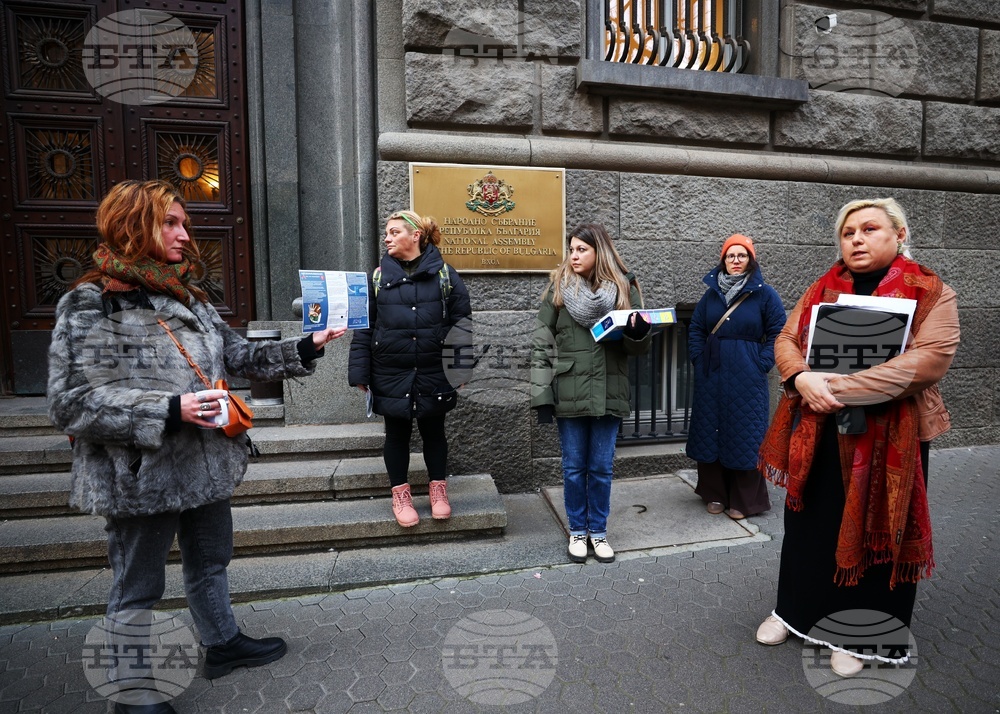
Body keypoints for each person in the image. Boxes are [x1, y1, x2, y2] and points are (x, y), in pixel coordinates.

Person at [47, 180, 346, 714]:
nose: (186, 234)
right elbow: (71, 403)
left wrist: (306, 345)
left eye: (184, 223)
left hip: (206, 464)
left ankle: (222, 643)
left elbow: (235, 356)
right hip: (141, 471)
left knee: (210, 561)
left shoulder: (188, 297)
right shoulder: (90, 303)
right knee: (138, 584)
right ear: (131, 225)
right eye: (171, 223)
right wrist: (168, 409)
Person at [755, 198, 959, 677]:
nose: (857, 239)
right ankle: (794, 613)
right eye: (848, 233)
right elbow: (787, 340)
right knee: (809, 526)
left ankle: (860, 636)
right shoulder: (823, 286)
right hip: (820, 430)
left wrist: (833, 387)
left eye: (869, 229)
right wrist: (802, 378)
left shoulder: (931, 292)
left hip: (892, 438)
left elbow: (927, 361)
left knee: (876, 531)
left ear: (899, 233)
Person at [530, 223, 651, 564]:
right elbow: (541, 344)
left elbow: (639, 350)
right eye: (571, 250)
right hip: (569, 392)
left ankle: (598, 532)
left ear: (600, 251)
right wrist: (541, 397)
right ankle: (578, 532)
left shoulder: (625, 288)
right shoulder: (559, 287)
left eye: (581, 249)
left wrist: (640, 333)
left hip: (609, 391)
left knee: (600, 468)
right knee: (572, 468)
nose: (574, 256)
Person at [348, 210, 471, 527]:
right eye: (386, 234)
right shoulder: (376, 278)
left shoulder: (445, 275)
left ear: (415, 235)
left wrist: (460, 369)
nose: (386, 238)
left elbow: (461, 326)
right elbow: (365, 328)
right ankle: (400, 495)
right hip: (390, 370)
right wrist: (360, 372)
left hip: (433, 369)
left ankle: (438, 491)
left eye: (393, 232)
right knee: (396, 434)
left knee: (434, 432)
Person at [686, 234, 786, 520]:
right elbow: (696, 328)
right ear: (724, 260)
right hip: (712, 374)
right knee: (711, 431)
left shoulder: (765, 293)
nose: (736, 261)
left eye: (742, 255)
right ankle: (714, 493)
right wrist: (698, 358)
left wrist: (761, 363)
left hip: (748, 375)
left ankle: (743, 500)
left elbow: (779, 331)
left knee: (745, 434)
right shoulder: (711, 293)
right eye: (731, 256)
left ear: (751, 259)